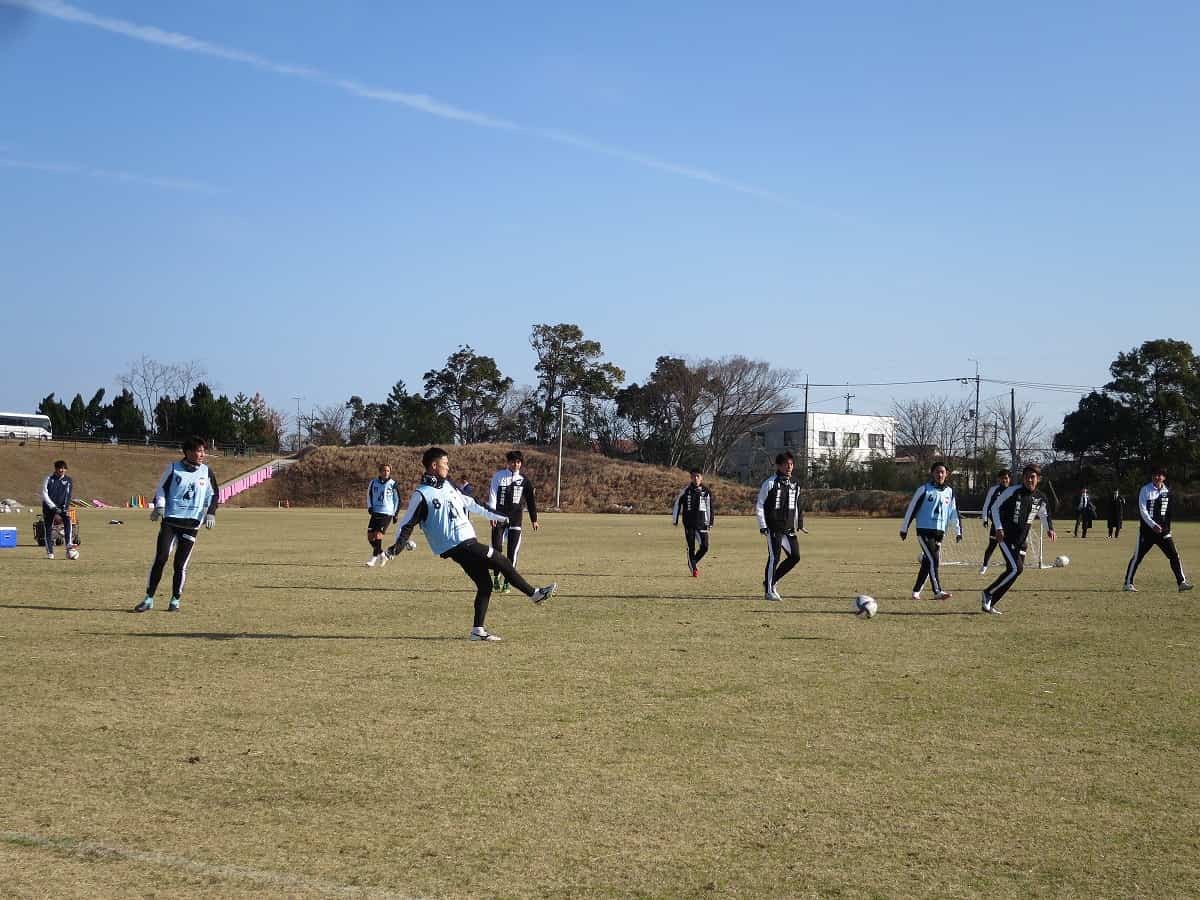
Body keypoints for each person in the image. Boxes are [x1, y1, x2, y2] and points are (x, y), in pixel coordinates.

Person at [386, 447, 556, 641]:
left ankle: (477, 630)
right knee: (501, 560)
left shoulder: (448, 486)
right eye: (445, 463)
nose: (448, 467)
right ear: (434, 466)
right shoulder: (422, 494)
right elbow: (406, 524)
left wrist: (501, 517)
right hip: (458, 544)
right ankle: (534, 594)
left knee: (485, 584)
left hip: (465, 542)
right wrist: (395, 549)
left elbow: (473, 503)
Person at [135, 437, 220, 612]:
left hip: (192, 524)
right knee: (161, 558)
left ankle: (175, 599)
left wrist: (210, 513)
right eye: (198, 450)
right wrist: (159, 507)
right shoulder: (173, 468)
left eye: (203, 450)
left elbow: (214, 495)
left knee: (180, 565)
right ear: (188, 452)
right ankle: (149, 598)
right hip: (171, 521)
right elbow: (161, 489)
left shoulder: (206, 471)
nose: (202, 454)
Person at [981, 463, 1056, 615]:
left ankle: (990, 602)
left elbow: (1043, 514)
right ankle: (988, 592)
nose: (1029, 480)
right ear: (1023, 478)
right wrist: (999, 528)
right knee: (1016, 568)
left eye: (1032, 477)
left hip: (1022, 540)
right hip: (1006, 537)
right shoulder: (1012, 491)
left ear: (1038, 479)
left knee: (1015, 571)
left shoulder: (1041, 497)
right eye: (1027, 477)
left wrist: (1050, 529)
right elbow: (994, 507)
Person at [1123, 467, 1193, 593]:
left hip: (1163, 532)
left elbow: (1168, 513)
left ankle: (1181, 582)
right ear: (1152, 477)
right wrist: (1152, 524)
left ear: (1164, 477)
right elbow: (1142, 510)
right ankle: (1128, 583)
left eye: (1160, 475)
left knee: (1174, 555)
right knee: (1137, 557)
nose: (1157, 477)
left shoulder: (1167, 492)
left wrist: (1168, 529)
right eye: (1155, 475)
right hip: (1147, 531)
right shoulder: (1145, 490)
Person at [899, 461, 962, 601]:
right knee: (934, 560)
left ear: (947, 474)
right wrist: (904, 528)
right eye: (937, 472)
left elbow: (953, 512)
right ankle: (937, 591)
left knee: (928, 562)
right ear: (932, 473)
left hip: (939, 533)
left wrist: (958, 530)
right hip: (924, 530)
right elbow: (912, 509)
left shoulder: (950, 492)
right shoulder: (924, 489)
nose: (940, 474)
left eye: (942, 472)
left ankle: (916, 591)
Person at [755, 451, 806, 601]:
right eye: (786, 464)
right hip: (773, 528)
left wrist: (799, 523)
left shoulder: (795, 484)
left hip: (788, 528)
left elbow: (797, 505)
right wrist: (763, 526)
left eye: (791, 464)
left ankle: (770, 581)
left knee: (795, 557)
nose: (789, 467)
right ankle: (769, 591)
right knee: (774, 558)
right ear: (779, 466)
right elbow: (759, 505)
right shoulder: (770, 483)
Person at [487, 450, 539, 593]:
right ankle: (496, 577)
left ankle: (507, 582)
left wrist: (534, 519)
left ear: (521, 464)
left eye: (518, 462)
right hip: (499, 518)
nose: (515, 464)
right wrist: (491, 515)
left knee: (512, 552)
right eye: (513, 462)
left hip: (516, 520)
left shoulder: (525, 480)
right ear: (507, 462)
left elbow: (530, 501)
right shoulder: (498, 476)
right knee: (497, 549)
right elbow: (492, 495)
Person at [672, 468, 714, 577]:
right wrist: (675, 520)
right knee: (691, 547)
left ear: (701, 477)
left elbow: (710, 507)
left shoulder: (706, 492)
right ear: (691, 477)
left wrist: (710, 522)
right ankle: (694, 569)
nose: (696, 478)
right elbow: (677, 504)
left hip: (702, 523)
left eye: (698, 476)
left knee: (705, 547)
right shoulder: (686, 490)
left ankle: (692, 561)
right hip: (689, 524)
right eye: (694, 476)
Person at [365, 462, 400, 567]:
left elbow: (397, 499)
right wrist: (370, 507)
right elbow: (369, 495)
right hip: (375, 511)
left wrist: (395, 514)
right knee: (370, 537)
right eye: (384, 470)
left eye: (388, 471)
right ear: (380, 471)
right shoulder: (373, 482)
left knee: (378, 535)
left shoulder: (393, 484)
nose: (386, 472)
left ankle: (373, 559)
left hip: (387, 512)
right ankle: (382, 554)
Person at [978, 468, 1012, 575]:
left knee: (1009, 547)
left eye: (1006, 478)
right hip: (997, 525)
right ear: (999, 479)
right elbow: (987, 504)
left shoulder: (1013, 491)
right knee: (992, 546)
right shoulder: (994, 490)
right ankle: (984, 565)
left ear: (1009, 479)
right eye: (1002, 478)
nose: (1004, 480)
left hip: (1009, 525)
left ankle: (1011, 566)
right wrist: (985, 518)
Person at [40, 459, 74, 559]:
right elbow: (44, 494)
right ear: (55, 469)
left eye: (64, 468)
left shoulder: (68, 480)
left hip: (62, 507)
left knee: (68, 520)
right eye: (60, 468)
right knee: (48, 529)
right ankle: (50, 552)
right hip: (49, 507)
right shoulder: (48, 478)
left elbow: (68, 495)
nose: (62, 470)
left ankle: (68, 544)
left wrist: (65, 507)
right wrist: (53, 507)